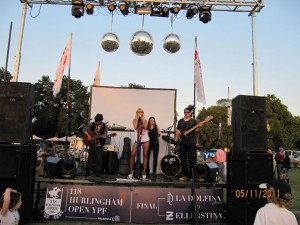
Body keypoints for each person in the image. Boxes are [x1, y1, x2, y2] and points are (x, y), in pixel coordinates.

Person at [175, 107, 208, 181]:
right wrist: (178, 132)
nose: (186, 113)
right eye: (185, 112)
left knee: (192, 159)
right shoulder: (180, 121)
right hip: (182, 142)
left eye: (187, 112)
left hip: (191, 142)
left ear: (190, 113)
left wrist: (199, 126)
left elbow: (196, 130)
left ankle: (191, 176)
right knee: (183, 159)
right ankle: (185, 175)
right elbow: (177, 129)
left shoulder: (193, 121)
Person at [129, 108, 150, 180]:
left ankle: (144, 172)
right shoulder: (134, 120)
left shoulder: (145, 120)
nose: (140, 113)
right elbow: (135, 127)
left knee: (145, 154)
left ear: (143, 113)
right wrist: (138, 119)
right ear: (136, 113)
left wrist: (142, 119)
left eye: (141, 112)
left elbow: (145, 127)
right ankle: (131, 171)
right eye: (138, 112)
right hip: (137, 138)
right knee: (132, 154)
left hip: (145, 138)